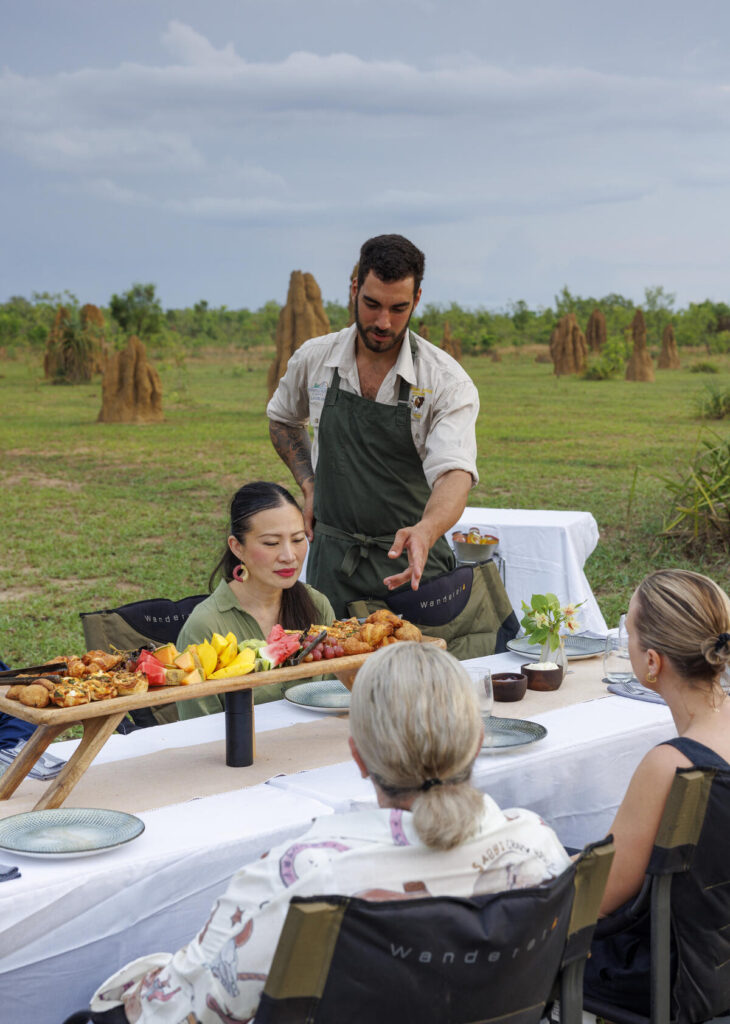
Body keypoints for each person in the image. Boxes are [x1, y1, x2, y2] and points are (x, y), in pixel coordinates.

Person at [88, 642, 570, 1023]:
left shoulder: (302, 878)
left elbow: (183, 1009)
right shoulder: (538, 846)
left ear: (358, 756)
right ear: (479, 742)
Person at [267, 233, 480, 618]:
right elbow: (283, 419)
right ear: (354, 289)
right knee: (328, 675)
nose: (383, 322)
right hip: (333, 568)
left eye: (398, 308)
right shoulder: (315, 360)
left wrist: (427, 530)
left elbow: (454, 473)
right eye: (372, 304)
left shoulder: (445, 382)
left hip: (412, 572)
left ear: (416, 299)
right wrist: (309, 483)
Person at [584, 568, 730, 1014]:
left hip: (682, 974)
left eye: (627, 630)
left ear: (652, 661)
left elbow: (598, 896)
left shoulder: (674, 763)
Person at [176, 481, 335, 718]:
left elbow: (337, 696)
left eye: (298, 539)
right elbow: (196, 728)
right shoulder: (205, 628)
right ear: (237, 548)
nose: (289, 556)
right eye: (271, 543)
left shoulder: (317, 605)